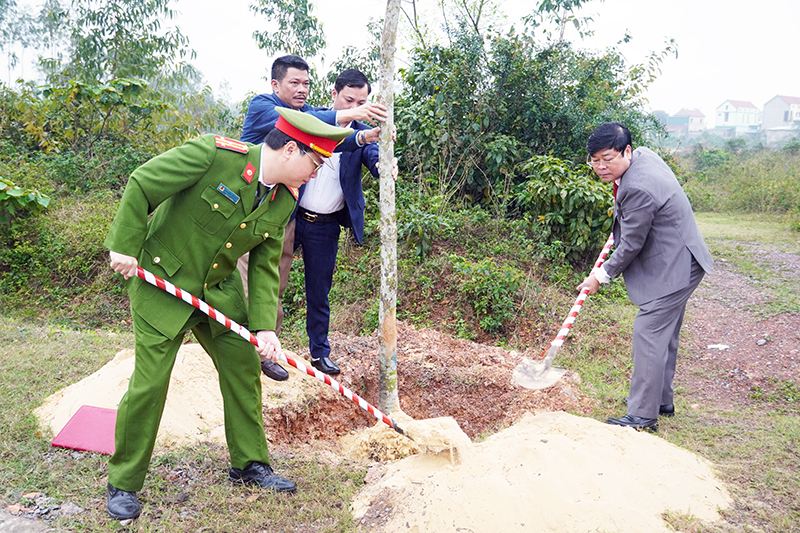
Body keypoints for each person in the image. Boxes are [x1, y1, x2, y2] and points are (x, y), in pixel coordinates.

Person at [103, 107, 353, 520]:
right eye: (315, 162)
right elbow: (143, 183)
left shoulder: (283, 198)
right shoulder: (214, 155)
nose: (316, 172)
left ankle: (249, 464)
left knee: (242, 366)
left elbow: (265, 264)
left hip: (217, 292)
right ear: (291, 150)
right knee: (151, 383)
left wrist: (263, 327)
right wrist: (124, 244)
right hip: (163, 282)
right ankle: (124, 482)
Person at [239, 60, 393, 379]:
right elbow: (310, 124)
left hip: (319, 224)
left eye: (305, 83)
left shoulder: (351, 128)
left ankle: (310, 353)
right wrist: (352, 117)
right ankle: (252, 346)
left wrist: (378, 157)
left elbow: (363, 149)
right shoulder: (281, 111)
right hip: (270, 213)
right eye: (349, 101)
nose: (300, 89)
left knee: (315, 291)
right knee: (264, 282)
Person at [577, 122, 713, 430]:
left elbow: (632, 245)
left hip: (676, 263)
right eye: (595, 160)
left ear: (626, 151)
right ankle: (660, 400)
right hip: (682, 252)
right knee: (664, 333)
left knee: (649, 333)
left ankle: (642, 415)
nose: (600, 166)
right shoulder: (643, 155)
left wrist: (599, 277)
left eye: (607, 158)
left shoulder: (638, 186)